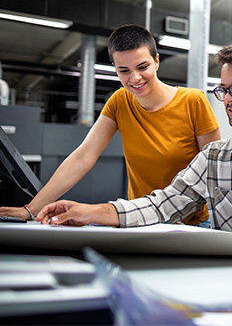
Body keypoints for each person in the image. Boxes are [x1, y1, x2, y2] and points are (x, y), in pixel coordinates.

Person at [37, 41, 232, 258]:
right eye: (223, 90)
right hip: (231, 284)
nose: (227, 99)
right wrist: (88, 212)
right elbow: (161, 205)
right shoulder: (213, 158)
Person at [1, 24, 220, 226]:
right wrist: (31, 210)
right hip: (141, 220)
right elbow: (83, 157)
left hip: (191, 224)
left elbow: (215, 171)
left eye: (142, 66)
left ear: (156, 61)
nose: (134, 78)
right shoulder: (119, 101)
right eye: (124, 70)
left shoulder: (193, 101)